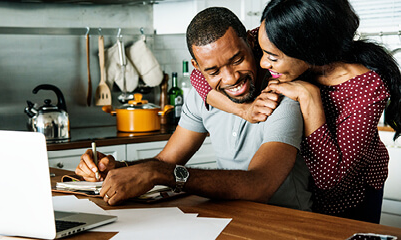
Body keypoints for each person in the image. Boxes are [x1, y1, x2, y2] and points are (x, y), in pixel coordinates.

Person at [75, 7, 312, 211]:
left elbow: (260, 185)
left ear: (251, 42)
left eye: (237, 60)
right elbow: (165, 161)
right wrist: (119, 169)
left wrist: (161, 173)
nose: (231, 78)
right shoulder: (201, 99)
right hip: (235, 218)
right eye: (213, 71)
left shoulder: (282, 95)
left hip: (288, 223)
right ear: (197, 68)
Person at [189, 0, 401, 223]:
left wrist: (309, 97)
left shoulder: (365, 88)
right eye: (262, 52)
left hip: (352, 197)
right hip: (304, 190)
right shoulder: (273, 36)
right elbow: (200, 75)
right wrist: (244, 110)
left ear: (307, 50)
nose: (262, 63)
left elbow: (331, 181)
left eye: (272, 57)